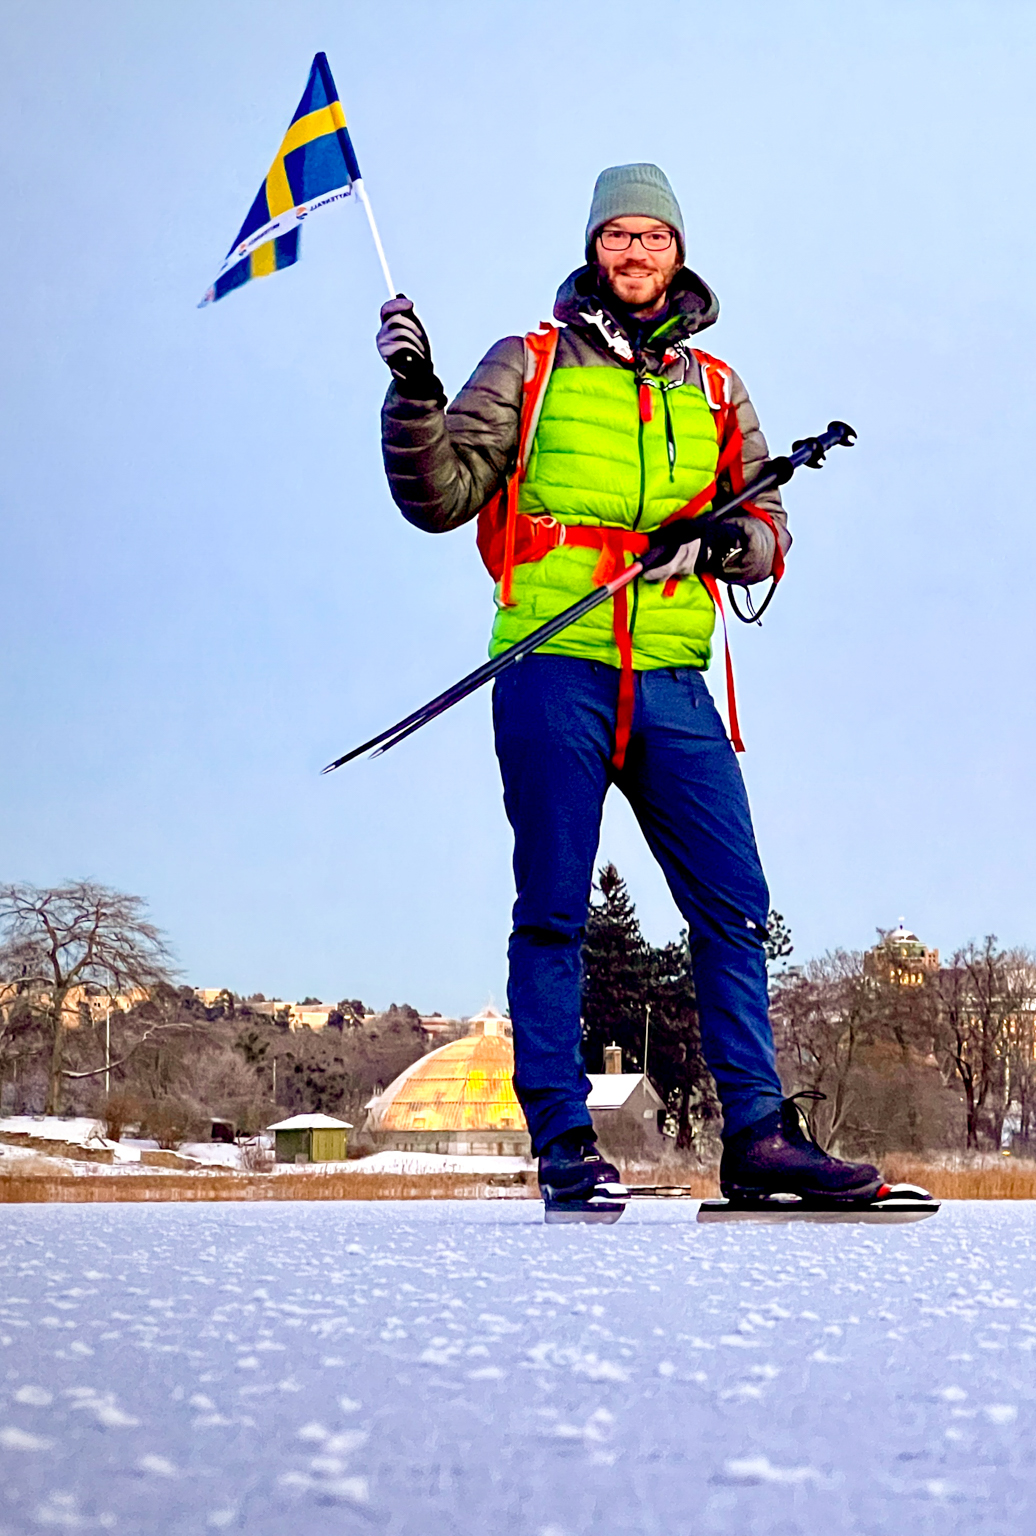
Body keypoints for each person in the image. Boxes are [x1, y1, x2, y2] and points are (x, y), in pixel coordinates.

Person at [377, 163, 879, 1222]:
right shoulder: (531, 361)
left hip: (669, 676)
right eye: (619, 236)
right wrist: (414, 399)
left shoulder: (715, 387)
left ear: (679, 252)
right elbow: (439, 496)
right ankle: (563, 1143)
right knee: (553, 911)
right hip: (553, 667)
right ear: (593, 248)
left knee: (735, 907)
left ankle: (758, 1137)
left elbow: (769, 530)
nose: (636, 254)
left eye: (654, 236)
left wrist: (726, 539)